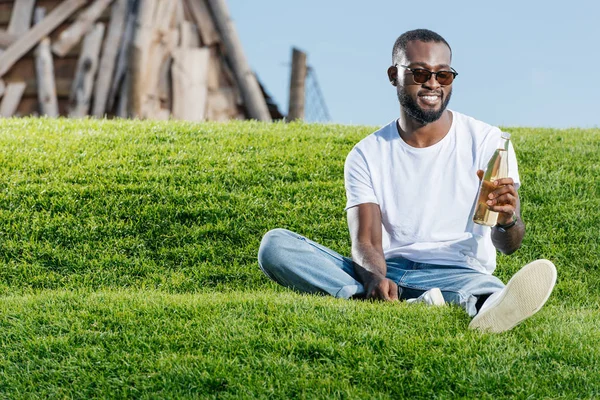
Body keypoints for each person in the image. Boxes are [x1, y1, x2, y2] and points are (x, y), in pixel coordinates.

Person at [257, 29, 556, 333]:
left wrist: (508, 220)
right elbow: (366, 241)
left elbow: (508, 246)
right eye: (419, 72)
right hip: (390, 271)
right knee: (276, 247)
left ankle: (484, 303)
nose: (432, 83)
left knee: (484, 288)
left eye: (443, 75)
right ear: (393, 75)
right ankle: (391, 298)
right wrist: (375, 279)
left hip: (459, 271)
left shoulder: (488, 141)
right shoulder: (366, 154)